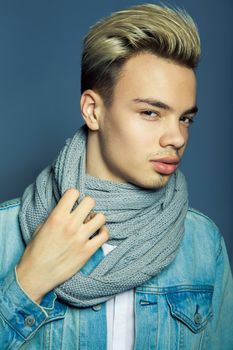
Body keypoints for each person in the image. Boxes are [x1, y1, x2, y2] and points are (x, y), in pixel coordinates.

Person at [0, 3, 232, 349]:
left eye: (185, 118)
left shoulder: (202, 243)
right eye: (151, 112)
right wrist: (29, 279)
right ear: (93, 111)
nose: (178, 138)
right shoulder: (5, 234)